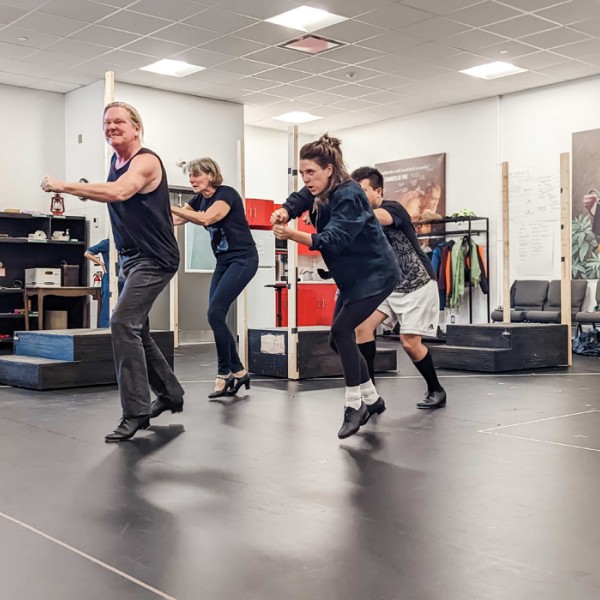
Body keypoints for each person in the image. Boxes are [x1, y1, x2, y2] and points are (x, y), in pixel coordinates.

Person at [41, 101, 185, 442]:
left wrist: (66, 185)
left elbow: (120, 191)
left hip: (155, 257)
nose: (112, 127)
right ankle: (170, 393)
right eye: (107, 123)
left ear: (137, 127)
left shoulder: (145, 161)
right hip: (132, 258)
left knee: (122, 323)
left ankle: (135, 412)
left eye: (119, 121)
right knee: (138, 330)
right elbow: (113, 194)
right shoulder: (114, 161)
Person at [271, 134, 400, 439]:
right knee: (335, 340)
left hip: (376, 275)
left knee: (343, 332)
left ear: (329, 169)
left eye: (311, 172)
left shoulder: (350, 195)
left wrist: (292, 235)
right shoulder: (321, 188)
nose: (306, 179)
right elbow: (302, 197)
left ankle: (354, 404)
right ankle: (372, 399)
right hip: (352, 277)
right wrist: (285, 211)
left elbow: (334, 238)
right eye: (302, 173)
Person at [351, 166, 446, 410]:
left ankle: (436, 390)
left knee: (409, 343)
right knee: (362, 328)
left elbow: (376, 218)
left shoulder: (393, 209)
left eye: (363, 191)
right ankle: (370, 396)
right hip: (390, 285)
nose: (358, 197)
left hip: (418, 283)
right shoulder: (362, 223)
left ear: (378, 191)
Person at [171, 157, 258, 399]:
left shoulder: (226, 194)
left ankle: (223, 373)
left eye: (196, 175)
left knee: (214, 313)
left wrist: (166, 206)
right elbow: (178, 219)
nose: (191, 180)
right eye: (189, 176)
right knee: (215, 313)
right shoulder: (199, 199)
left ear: (210, 175)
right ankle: (239, 372)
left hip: (243, 259)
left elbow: (207, 218)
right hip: (223, 262)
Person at [84, 238, 110, 328]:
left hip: (120, 277)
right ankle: (103, 332)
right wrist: (101, 264)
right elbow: (87, 253)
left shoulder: (122, 242)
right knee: (106, 308)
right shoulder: (107, 243)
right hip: (109, 278)